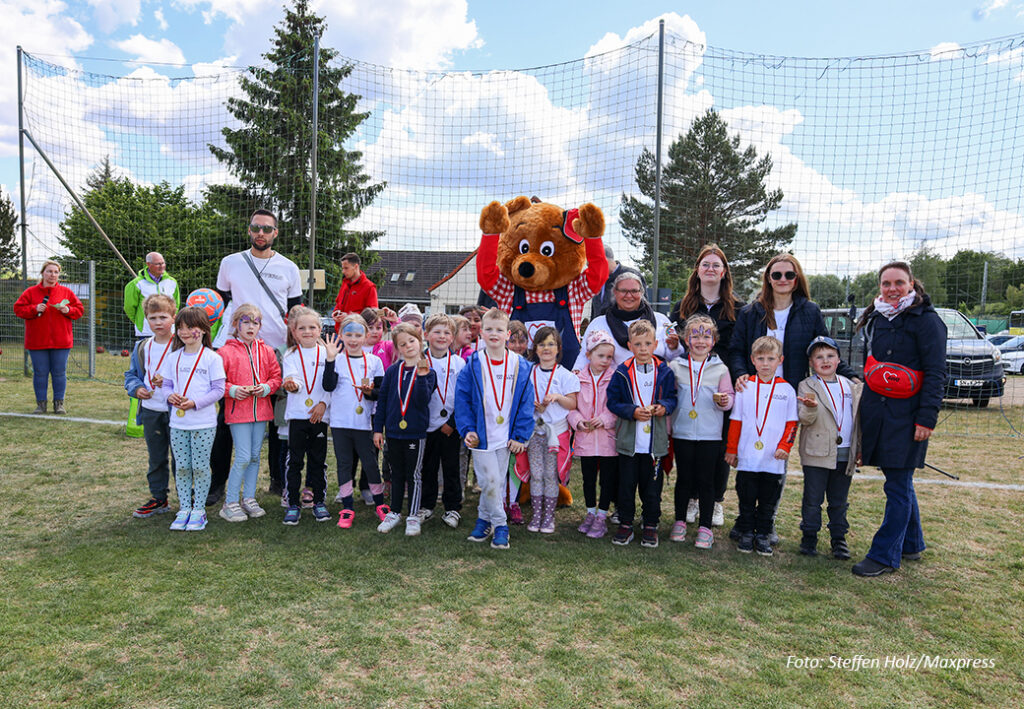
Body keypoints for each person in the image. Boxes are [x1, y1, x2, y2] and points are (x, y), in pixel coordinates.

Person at [728, 253, 856, 543]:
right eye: (777, 275)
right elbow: (736, 350)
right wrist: (739, 372)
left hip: (787, 397)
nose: (783, 280)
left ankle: (767, 521)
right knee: (749, 454)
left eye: (789, 275)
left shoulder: (809, 311)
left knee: (777, 458)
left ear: (797, 279)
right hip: (756, 395)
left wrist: (853, 376)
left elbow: (822, 349)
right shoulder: (751, 312)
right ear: (768, 279)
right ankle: (745, 518)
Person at [851, 262, 946, 577]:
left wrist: (926, 418)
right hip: (878, 412)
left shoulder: (928, 322)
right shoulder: (876, 317)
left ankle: (884, 555)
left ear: (911, 284)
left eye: (898, 283)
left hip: (908, 417)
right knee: (899, 480)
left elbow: (935, 374)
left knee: (898, 484)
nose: (892, 289)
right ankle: (912, 544)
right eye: (886, 283)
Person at [210, 209, 303, 503]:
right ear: (249, 231)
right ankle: (216, 485)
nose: (260, 233)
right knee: (227, 418)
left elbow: (295, 309)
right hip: (235, 348)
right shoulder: (230, 263)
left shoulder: (289, 267)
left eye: (266, 229)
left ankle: (277, 481)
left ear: (275, 233)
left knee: (276, 421)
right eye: (255, 228)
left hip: (273, 350)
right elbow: (219, 302)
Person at [670, 244, 743, 528]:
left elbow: (739, 348)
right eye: (705, 264)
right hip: (690, 385)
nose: (710, 269)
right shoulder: (683, 306)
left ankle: (715, 502)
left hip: (719, 385)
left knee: (719, 447)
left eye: (716, 265)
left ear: (724, 272)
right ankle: (690, 499)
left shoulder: (738, 308)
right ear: (697, 271)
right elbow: (675, 348)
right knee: (688, 449)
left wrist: (735, 378)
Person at [454, 308, 535, 550]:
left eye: (499, 329)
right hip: (481, 436)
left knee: (496, 482)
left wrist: (521, 435)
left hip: (506, 437)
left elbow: (525, 402)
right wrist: (468, 428)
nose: (494, 333)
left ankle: (483, 518)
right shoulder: (474, 363)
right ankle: (501, 525)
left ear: (507, 334)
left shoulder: (519, 365)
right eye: (488, 329)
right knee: (489, 480)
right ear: (481, 332)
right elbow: (462, 398)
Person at [606, 319, 678, 548]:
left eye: (648, 343)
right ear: (630, 345)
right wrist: (632, 411)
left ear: (656, 343)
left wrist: (663, 407)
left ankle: (650, 524)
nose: (644, 348)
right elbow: (613, 402)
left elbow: (673, 398)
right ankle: (626, 523)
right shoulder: (622, 372)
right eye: (638, 344)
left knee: (652, 488)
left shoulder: (664, 371)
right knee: (626, 486)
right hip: (630, 442)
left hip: (654, 445)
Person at [724, 336, 798, 557]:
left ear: (780, 360)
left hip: (772, 458)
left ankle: (763, 535)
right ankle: (746, 532)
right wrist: (731, 449)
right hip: (747, 456)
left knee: (767, 500)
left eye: (771, 359)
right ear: (753, 360)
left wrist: (785, 446)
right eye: (761, 359)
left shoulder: (787, 390)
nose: (766, 364)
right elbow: (736, 421)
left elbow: (791, 424)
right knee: (746, 497)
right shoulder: (745, 387)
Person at [668, 314, 734, 549]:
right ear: (686, 340)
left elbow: (730, 399)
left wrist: (725, 401)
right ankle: (679, 521)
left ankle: (705, 527)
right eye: (695, 335)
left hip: (710, 434)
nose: (700, 340)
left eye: (706, 336)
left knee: (707, 481)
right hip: (682, 432)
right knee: (684, 478)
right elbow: (669, 397)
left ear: (713, 342)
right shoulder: (675, 366)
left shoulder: (721, 369)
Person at [158, 306, 225, 532]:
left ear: (204, 330)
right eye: (181, 327)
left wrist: (195, 403)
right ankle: (184, 508)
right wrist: (170, 396)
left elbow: (218, 390)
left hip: (203, 423)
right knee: (183, 466)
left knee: (199, 465)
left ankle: (199, 510)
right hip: (178, 423)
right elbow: (166, 385)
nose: (185, 332)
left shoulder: (212, 358)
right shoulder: (173, 357)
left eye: (191, 327)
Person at [797, 336, 862, 560]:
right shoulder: (807, 385)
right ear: (811, 363)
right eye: (819, 357)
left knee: (838, 500)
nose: (825, 361)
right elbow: (804, 420)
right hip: (816, 453)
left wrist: (859, 448)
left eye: (830, 356)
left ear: (839, 359)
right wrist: (810, 408)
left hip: (845, 454)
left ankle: (838, 538)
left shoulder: (851, 386)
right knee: (813, 499)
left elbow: (858, 420)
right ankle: (809, 536)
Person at [322, 314, 388, 529]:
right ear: (341, 335)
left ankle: (380, 503)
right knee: (344, 464)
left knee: (370, 463)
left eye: (358, 335)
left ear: (366, 336)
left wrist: (369, 393)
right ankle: (347, 507)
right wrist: (330, 360)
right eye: (348, 334)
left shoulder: (375, 361)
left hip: (364, 423)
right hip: (340, 423)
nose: (353, 339)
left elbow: (380, 393)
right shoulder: (337, 359)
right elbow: (328, 386)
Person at [217, 304, 282, 523]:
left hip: (261, 412)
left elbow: (276, 377)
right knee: (243, 457)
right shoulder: (225, 352)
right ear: (236, 324)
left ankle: (249, 498)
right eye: (246, 321)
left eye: (255, 322)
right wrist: (234, 390)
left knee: (254, 457)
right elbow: (217, 384)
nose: (251, 326)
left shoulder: (267, 350)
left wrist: (265, 388)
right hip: (238, 413)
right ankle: (230, 502)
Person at [372, 323, 436, 536]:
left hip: (415, 434)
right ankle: (395, 512)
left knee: (414, 475)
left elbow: (421, 400)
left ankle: (413, 515)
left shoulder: (428, 371)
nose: (408, 346)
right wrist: (378, 429)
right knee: (396, 473)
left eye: (411, 341)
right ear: (397, 348)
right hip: (393, 432)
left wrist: (420, 375)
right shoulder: (392, 371)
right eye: (402, 343)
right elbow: (382, 402)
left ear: (420, 341)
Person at [124, 294, 177, 518]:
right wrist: (136, 388)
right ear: (146, 319)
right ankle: (159, 498)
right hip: (151, 411)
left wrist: (169, 384)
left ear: (173, 318)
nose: (158, 322)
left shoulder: (182, 345)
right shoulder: (142, 347)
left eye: (163, 316)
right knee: (156, 458)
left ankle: (188, 498)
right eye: (152, 317)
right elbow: (131, 375)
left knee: (182, 459)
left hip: (178, 413)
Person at [524, 327, 579, 534]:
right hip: (535, 434)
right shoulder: (528, 372)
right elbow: (521, 399)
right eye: (542, 344)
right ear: (535, 348)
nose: (546, 348)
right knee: (536, 474)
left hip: (555, 434)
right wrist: (532, 404)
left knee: (550, 475)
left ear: (558, 348)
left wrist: (556, 397)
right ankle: (537, 515)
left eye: (551, 344)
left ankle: (549, 516)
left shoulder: (565, 375)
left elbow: (572, 403)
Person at [279, 306, 331, 526]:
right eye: (302, 328)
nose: (307, 331)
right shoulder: (290, 354)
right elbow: (293, 378)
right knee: (296, 461)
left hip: (320, 415)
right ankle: (292, 503)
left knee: (318, 461)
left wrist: (323, 404)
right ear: (294, 331)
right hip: (298, 415)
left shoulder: (329, 353)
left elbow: (332, 383)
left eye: (312, 327)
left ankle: (319, 501)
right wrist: (292, 385)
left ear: (320, 329)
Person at [13, 260, 84, 414]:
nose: (52, 275)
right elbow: (18, 309)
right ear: (42, 273)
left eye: (56, 272)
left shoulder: (66, 292)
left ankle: (59, 404)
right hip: (37, 341)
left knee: (59, 372)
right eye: (49, 271)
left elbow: (79, 310)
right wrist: (34, 308)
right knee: (40, 372)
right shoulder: (30, 292)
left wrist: (68, 310)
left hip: (61, 341)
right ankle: (41, 405)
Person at [573, 273, 682, 371]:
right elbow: (584, 358)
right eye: (624, 291)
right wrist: (576, 372)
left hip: (656, 387)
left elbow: (676, 358)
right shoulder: (599, 324)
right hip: (614, 389)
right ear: (615, 293)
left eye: (634, 291)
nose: (629, 296)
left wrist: (674, 347)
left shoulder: (661, 321)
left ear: (642, 293)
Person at [568, 329, 618, 540]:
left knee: (606, 481)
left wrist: (606, 419)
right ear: (588, 355)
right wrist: (578, 422)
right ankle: (590, 513)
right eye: (601, 356)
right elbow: (570, 406)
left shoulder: (616, 377)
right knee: (588, 479)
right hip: (586, 439)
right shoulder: (577, 378)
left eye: (609, 357)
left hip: (608, 440)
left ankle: (602, 515)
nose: (606, 361)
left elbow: (617, 404)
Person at [419, 314, 466, 527]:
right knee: (427, 468)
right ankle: (426, 506)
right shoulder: (419, 360)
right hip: (425, 425)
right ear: (426, 335)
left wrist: (454, 423)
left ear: (453, 337)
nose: (442, 336)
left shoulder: (459, 362)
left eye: (447, 332)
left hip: (450, 426)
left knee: (451, 468)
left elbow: (465, 397)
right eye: (437, 331)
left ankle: (453, 508)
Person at [123, 252, 180, 340]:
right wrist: (141, 322)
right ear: (148, 264)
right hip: (146, 332)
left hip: (169, 331)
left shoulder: (172, 282)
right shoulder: (136, 284)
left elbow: (176, 305)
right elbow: (129, 308)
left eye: (163, 263)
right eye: (158, 264)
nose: (161, 266)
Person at [589, 245, 647, 318]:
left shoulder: (631, 275)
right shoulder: (598, 278)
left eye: (593, 263)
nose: (591, 268)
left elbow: (643, 309)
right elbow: (595, 310)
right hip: (599, 327)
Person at [331, 252, 378, 331]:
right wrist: (335, 313)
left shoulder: (369, 287)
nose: (343, 271)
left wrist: (349, 317)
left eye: (346, 268)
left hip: (357, 332)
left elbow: (373, 314)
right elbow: (338, 304)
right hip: (340, 332)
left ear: (356, 267)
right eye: (342, 268)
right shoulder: (345, 283)